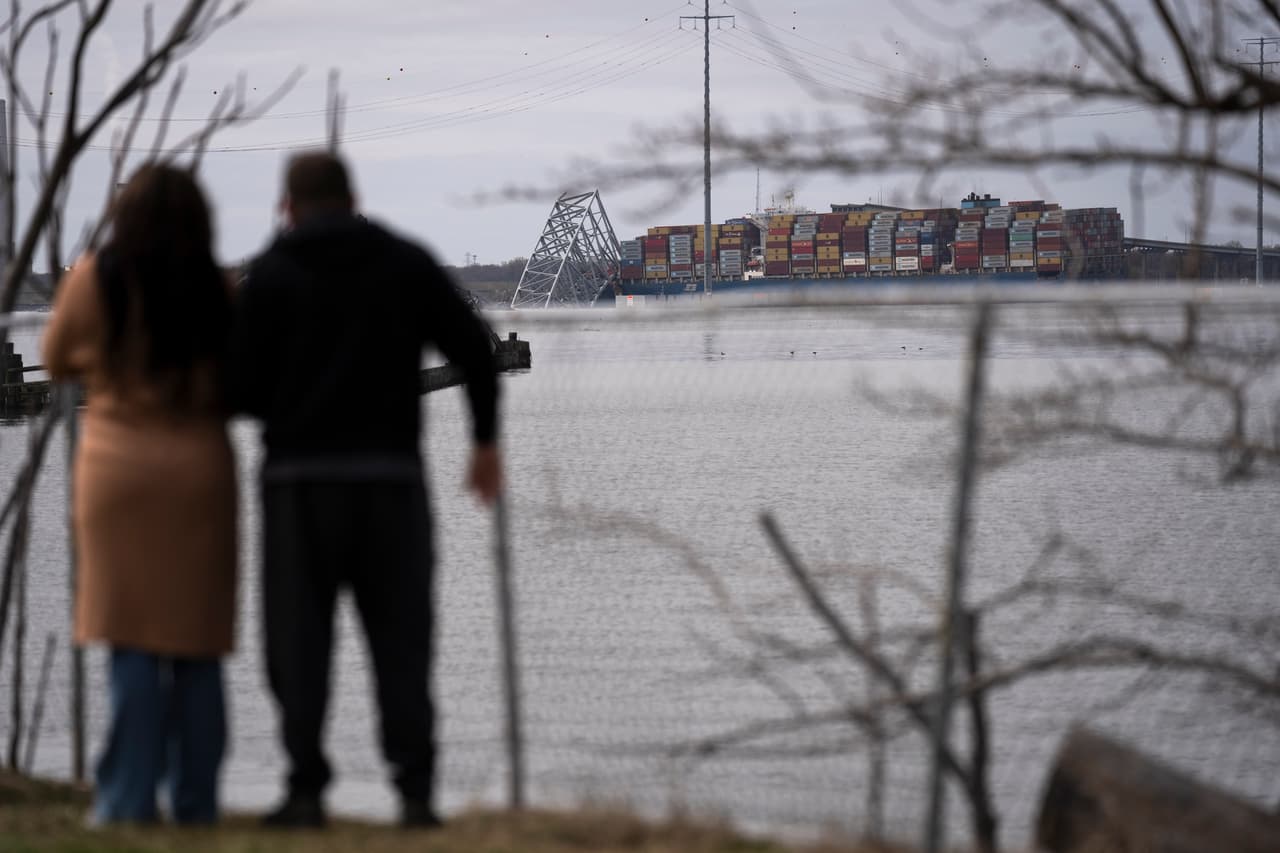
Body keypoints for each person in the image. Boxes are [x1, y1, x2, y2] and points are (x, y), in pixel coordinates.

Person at [230, 150, 502, 829]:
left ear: (288, 205)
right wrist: (484, 442)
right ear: (355, 195)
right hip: (390, 484)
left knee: (298, 645)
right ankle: (414, 792)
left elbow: (237, 388)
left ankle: (304, 789)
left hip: (298, 486)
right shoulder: (404, 261)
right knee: (401, 644)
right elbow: (474, 348)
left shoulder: (271, 273)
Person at [42, 164, 237, 824]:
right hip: (199, 471)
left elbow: (57, 356)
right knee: (197, 642)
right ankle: (197, 799)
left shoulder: (95, 278)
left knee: (129, 635)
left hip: (117, 471)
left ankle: (125, 797)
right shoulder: (218, 285)